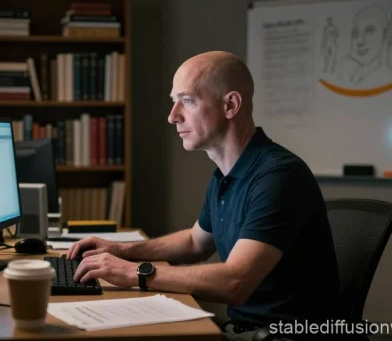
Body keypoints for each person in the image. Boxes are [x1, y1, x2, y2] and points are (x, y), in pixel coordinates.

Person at [67, 51, 340, 341]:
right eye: (174, 101)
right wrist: (119, 250)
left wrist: (136, 272)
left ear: (230, 105)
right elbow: (195, 242)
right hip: (248, 332)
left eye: (187, 100)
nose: (172, 116)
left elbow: (235, 282)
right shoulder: (226, 173)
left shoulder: (279, 176)